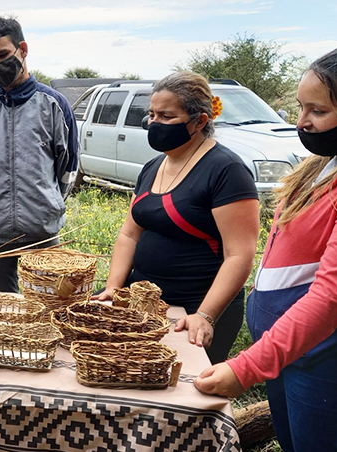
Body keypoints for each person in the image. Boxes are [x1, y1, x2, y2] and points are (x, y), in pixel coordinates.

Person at [195, 45, 337, 451]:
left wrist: (246, 367)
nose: (302, 122)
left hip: (334, 364)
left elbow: (334, 295)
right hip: (295, 354)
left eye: (317, 111)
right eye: (300, 107)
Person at [94, 71, 260, 364]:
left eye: (166, 116)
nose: (154, 123)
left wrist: (206, 316)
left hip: (196, 309)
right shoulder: (153, 166)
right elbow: (129, 234)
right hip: (144, 305)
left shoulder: (226, 171)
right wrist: (112, 289)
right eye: (152, 114)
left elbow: (240, 255)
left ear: (199, 121)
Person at [0, 16, 79, 293]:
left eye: (2, 55)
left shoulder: (54, 104)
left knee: (46, 304)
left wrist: (45, 203)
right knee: (1, 307)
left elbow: (68, 169)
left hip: (41, 231)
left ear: (23, 49)